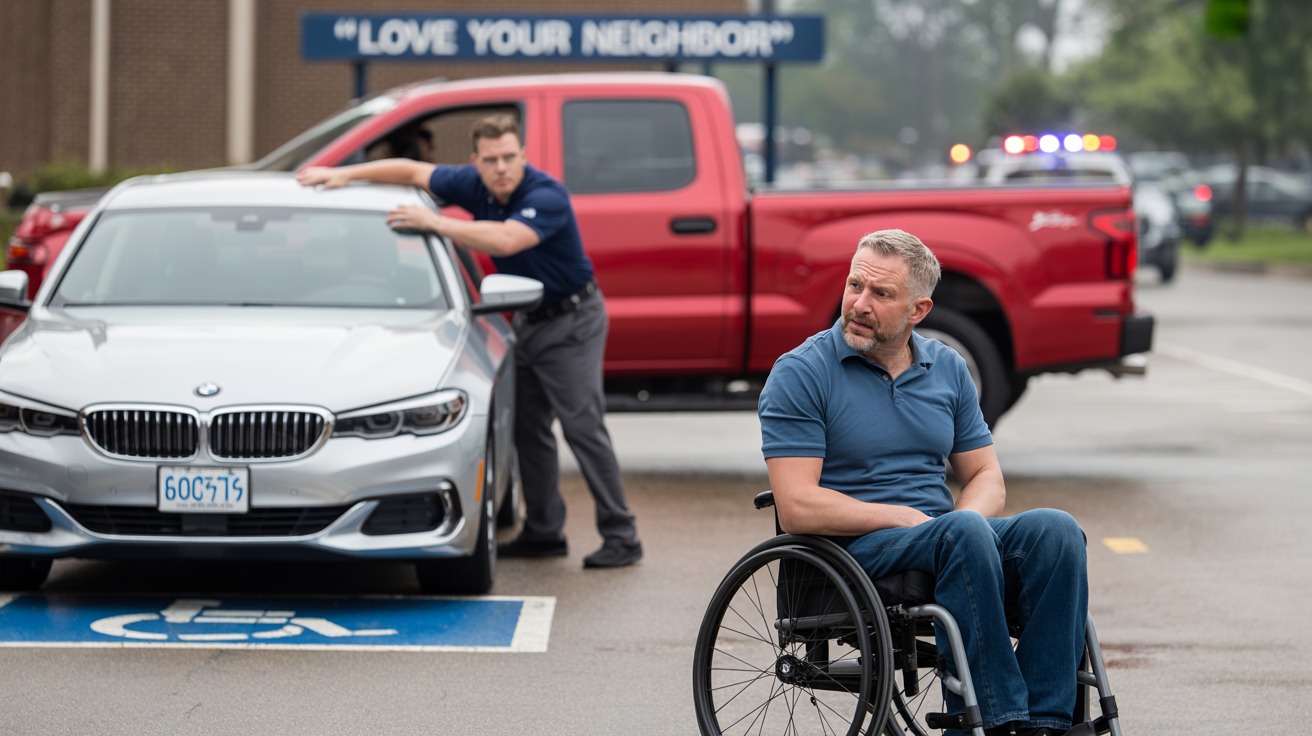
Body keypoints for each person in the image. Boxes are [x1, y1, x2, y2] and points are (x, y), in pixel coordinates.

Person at [757, 229, 1088, 736]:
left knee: (1055, 531)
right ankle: (990, 720)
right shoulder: (801, 373)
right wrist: (911, 520)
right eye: (854, 286)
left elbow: (983, 475)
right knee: (963, 533)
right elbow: (798, 505)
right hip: (852, 549)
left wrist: (961, 523)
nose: (859, 304)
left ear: (918, 310)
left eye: (881, 294)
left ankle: (1046, 721)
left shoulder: (947, 368)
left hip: (943, 538)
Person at [296, 114, 642, 569]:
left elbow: (506, 239)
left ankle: (622, 535)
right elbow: (410, 171)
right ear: (475, 161)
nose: (501, 168)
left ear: (524, 157)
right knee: (527, 429)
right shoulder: (471, 184)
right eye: (491, 160)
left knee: (582, 426)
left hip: (572, 319)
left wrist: (435, 223)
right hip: (525, 317)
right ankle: (544, 531)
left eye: (509, 158)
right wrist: (343, 173)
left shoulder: (546, 194)